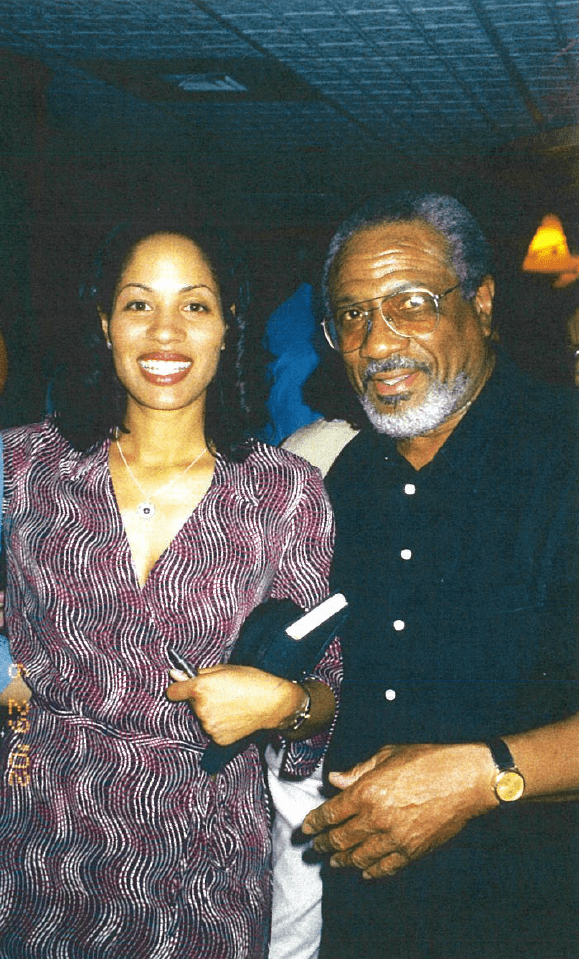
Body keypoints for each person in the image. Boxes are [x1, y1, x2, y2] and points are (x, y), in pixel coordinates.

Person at [0, 215, 341, 959]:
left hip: (204, 864)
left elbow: (325, 693)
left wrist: (283, 701)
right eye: (136, 303)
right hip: (32, 843)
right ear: (104, 323)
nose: (164, 332)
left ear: (226, 329)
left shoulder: (286, 491)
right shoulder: (23, 466)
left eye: (193, 304)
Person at [283, 191, 579, 959]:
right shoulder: (346, 479)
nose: (377, 340)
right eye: (350, 314)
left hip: (538, 911)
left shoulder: (565, 456)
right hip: (371, 911)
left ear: (480, 302)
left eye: (411, 303)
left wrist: (484, 776)